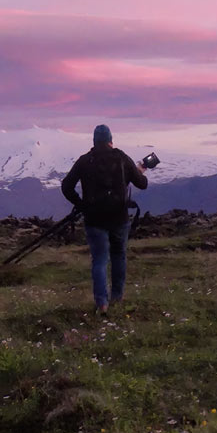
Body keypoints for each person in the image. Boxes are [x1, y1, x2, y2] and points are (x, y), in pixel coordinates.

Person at [60, 124, 148, 313]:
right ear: (111, 140)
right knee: (119, 256)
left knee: (99, 260)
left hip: (94, 219)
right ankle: (117, 297)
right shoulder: (122, 158)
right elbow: (142, 184)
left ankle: (102, 303)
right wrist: (139, 171)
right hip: (119, 217)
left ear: (94, 141)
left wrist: (81, 204)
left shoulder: (84, 161)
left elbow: (66, 186)